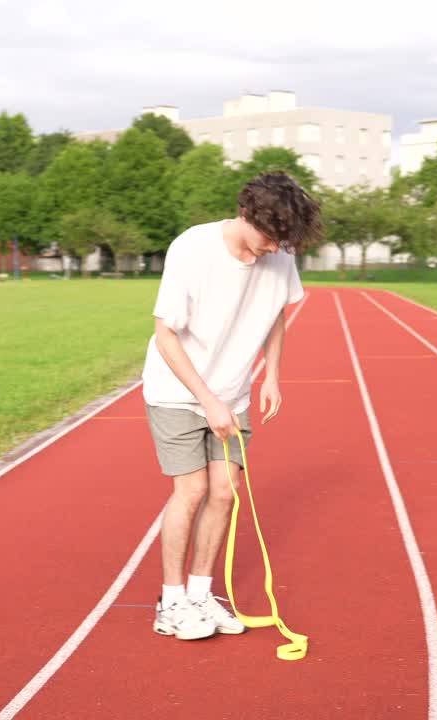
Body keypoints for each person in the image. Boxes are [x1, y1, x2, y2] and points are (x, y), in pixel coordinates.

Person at [142, 172, 322, 641]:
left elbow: (278, 312)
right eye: (269, 238)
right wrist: (207, 399)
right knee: (191, 492)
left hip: (235, 391)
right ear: (248, 214)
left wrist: (273, 376)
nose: (275, 250)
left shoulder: (280, 253)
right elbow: (165, 335)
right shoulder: (192, 247)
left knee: (225, 493)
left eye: (284, 242)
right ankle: (172, 602)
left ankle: (201, 595)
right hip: (178, 389)